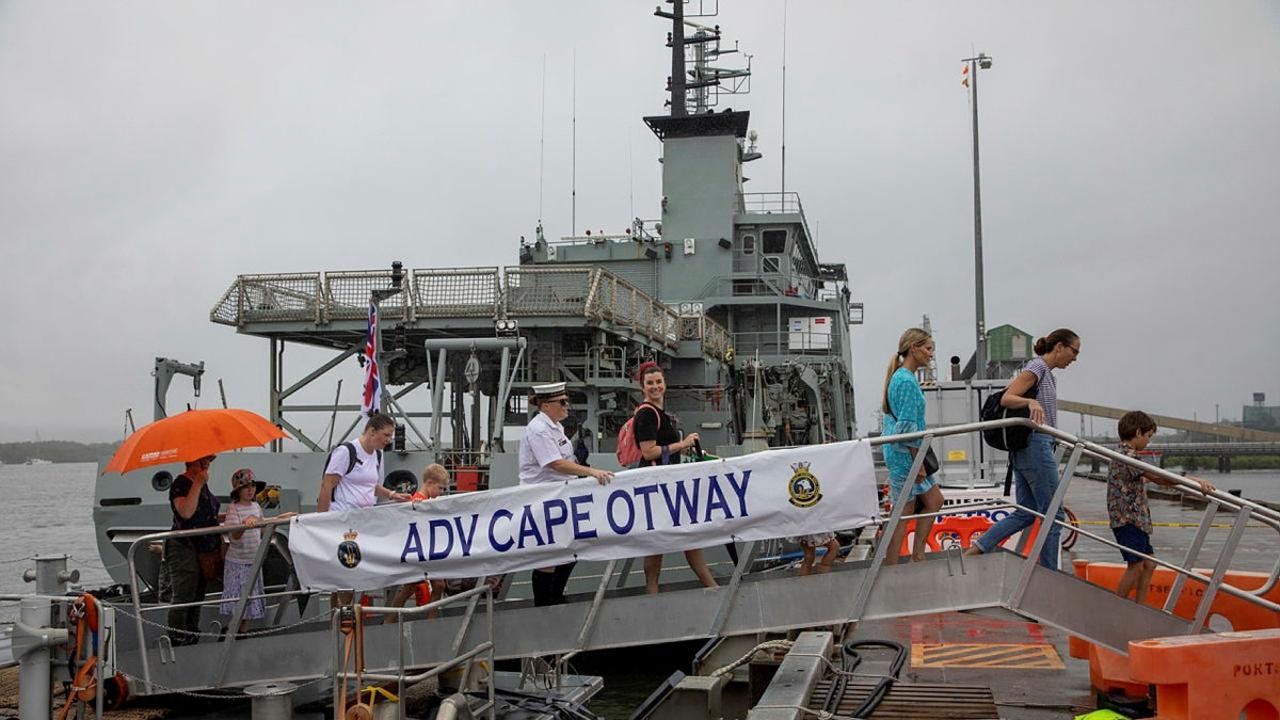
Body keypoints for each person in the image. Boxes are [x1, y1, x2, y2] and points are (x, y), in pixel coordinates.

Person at [967, 328, 1081, 570]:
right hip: (1035, 446)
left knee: (1027, 511)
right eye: (1074, 351)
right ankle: (1049, 574)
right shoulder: (1037, 368)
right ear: (1059, 346)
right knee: (1054, 515)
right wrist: (1030, 401)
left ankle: (977, 549)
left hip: (1031, 448)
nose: (1075, 358)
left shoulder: (1048, 374)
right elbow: (1008, 398)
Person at [519, 382, 614, 606]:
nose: (567, 406)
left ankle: (555, 597)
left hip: (559, 497)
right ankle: (544, 605)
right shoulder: (539, 429)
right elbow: (555, 463)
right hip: (542, 500)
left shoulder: (554, 426)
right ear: (546, 406)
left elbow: (565, 460)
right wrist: (591, 472)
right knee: (548, 556)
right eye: (562, 402)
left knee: (571, 549)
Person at [631, 361, 719, 594]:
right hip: (658, 485)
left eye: (658, 382)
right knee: (682, 537)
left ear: (665, 384)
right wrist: (683, 443)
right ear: (642, 387)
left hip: (664, 483)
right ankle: (710, 587)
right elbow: (648, 451)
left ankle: (655, 593)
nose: (655, 386)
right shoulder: (648, 414)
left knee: (665, 541)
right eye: (650, 383)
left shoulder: (658, 413)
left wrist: (687, 449)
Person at [1108, 411, 1215, 603]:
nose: (1149, 441)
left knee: (1149, 563)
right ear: (1139, 432)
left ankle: (1140, 607)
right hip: (1128, 520)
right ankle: (1116, 606)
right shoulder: (1126, 456)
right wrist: (1193, 481)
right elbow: (1158, 478)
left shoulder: (1127, 455)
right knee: (1136, 565)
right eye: (1149, 436)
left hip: (1136, 520)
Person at [881, 328, 946, 564]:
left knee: (934, 500)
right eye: (928, 349)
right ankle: (891, 565)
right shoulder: (906, 381)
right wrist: (917, 462)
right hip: (906, 454)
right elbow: (907, 427)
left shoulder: (900, 377)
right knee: (902, 512)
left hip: (905, 452)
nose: (931, 354)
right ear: (914, 348)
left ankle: (917, 556)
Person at [220, 468, 295, 633]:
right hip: (239, 563)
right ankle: (232, 632)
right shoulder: (234, 509)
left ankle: (242, 633)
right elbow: (234, 536)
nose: (250, 490)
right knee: (240, 604)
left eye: (252, 486)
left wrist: (279, 519)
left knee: (250, 603)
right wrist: (244, 524)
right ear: (237, 491)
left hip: (253, 561)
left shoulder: (255, 507)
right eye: (245, 487)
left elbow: (261, 529)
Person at [165, 454, 220, 646]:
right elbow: (186, 512)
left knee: (197, 595)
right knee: (184, 595)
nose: (207, 464)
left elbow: (206, 514)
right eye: (203, 460)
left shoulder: (203, 485)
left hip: (203, 549)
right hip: (184, 547)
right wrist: (197, 484)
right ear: (191, 461)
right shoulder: (181, 484)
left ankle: (192, 634)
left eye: (209, 461)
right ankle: (177, 637)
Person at [317, 413, 411, 513]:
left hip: (364, 517)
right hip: (343, 516)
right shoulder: (346, 452)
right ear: (372, 431)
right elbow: (327, 485)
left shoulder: (377, 455)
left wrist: (391, 495)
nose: (388, 440)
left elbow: (369, 485)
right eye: (386, 435)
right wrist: (322, 520)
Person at [391, 464, 450, 614]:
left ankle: (429, 620)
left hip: (426, 550)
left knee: (437, 585)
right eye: (441, 488)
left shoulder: (425, 502)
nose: (442, 492)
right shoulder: (417, 502)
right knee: (411, 587)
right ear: (429, 483)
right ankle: (390, 619)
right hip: (420, 550)